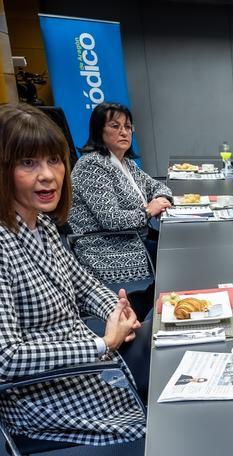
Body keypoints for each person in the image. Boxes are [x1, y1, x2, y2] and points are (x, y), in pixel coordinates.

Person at [0, 103, 147, 445]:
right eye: (28, 163)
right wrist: (104, 342)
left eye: (54, 160)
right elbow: (5, 358)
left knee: (170, 337)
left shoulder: (38, 223)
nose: (48, 175)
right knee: (178, 370)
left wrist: (117, 312)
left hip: (84, 364)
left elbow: (84, 286)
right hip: (49, 393)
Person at [69, 102, 172, 318]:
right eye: (115, 126)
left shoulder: (126, 164)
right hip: (107, 249)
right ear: (99, 130)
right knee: (175, 263)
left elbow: (158, 186)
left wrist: (160, 198)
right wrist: (147, 211)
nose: (124, 132)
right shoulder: (92, 166)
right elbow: (111, 219)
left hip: (135, 239)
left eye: (127, 127)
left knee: (178, 252)